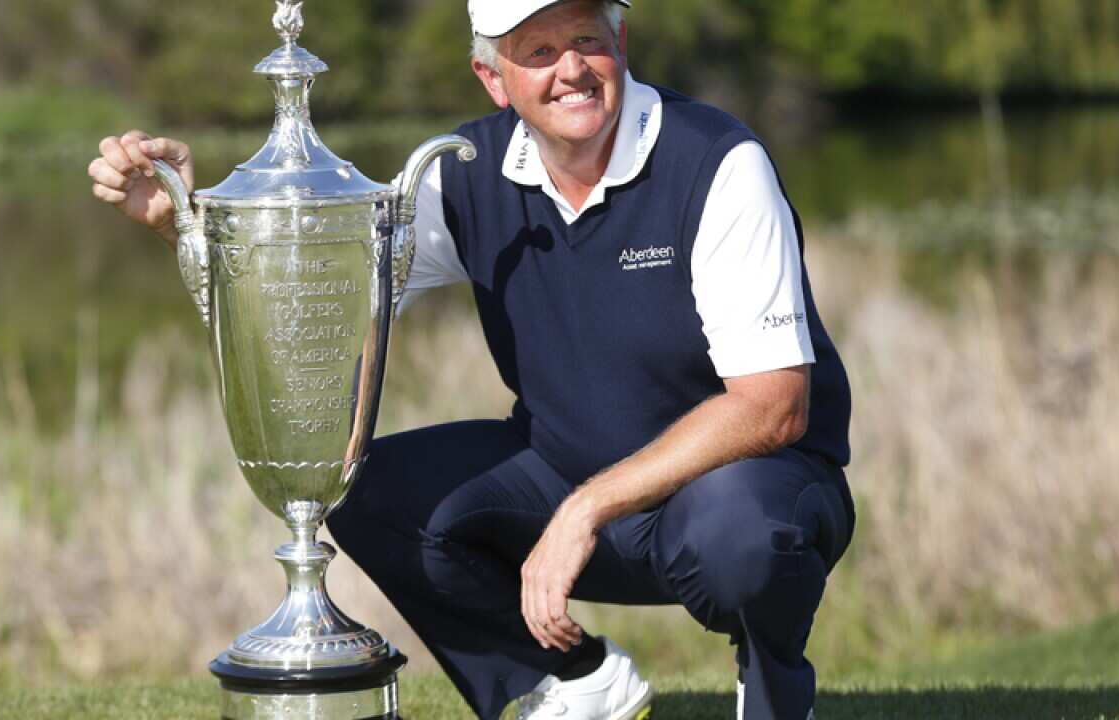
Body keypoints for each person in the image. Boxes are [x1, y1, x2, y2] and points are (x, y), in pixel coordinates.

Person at [88, 1, 854, 718]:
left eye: (588, 39)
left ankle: (774, 690)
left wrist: (586, 508)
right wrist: (183, 228)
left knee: (744, 535)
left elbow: (772, 406)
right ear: (494, 78)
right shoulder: (461, 172)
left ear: (621, 43)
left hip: (739, 488)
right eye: (538, 51)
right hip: (565, 475)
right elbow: (310, 311)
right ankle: (573, 685)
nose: (572, 69)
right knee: (367, 487)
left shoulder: (718, 161)